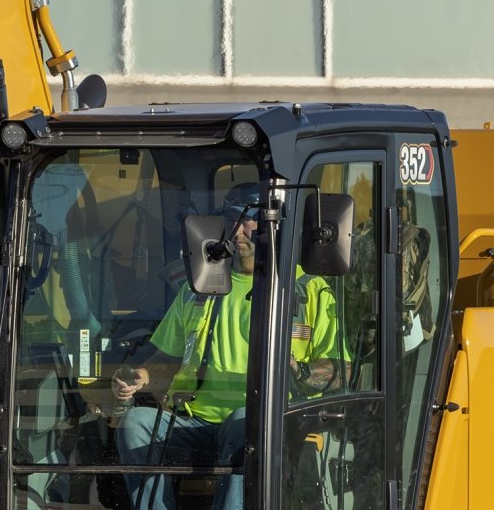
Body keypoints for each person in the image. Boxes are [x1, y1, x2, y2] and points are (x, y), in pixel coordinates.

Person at [112, 186, 348, 510]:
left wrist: (301, 370)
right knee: (135, 424)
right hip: (196, 422)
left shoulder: (309, 291)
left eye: (249, 219)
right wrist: (140, 376)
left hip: (271, 426)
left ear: (274, 223)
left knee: (244, 421)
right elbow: (167, 358)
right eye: (230, 219)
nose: (237, 230)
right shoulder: (200, 287)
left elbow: (340, 370)